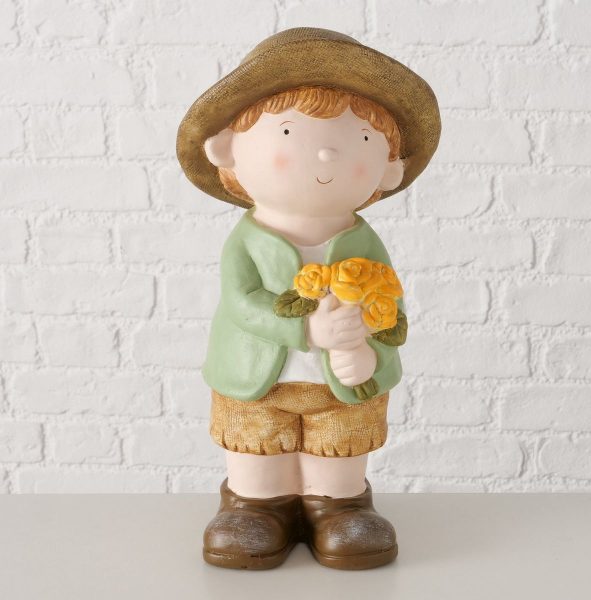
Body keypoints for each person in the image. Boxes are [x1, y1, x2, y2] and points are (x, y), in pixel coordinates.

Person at [176, 27, 441, 570]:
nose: (324, 151)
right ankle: (257, 507)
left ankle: (337, 506)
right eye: (288, 131)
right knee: (257, 448)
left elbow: (389, 306)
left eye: (361, 139)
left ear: (390, 169)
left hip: (340, 383)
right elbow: (242, 303)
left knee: (338, 450)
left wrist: (368, 350)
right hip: (258, 378)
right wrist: (307, 330)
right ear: (227, 149)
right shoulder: (248, 242)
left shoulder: (365, 243)